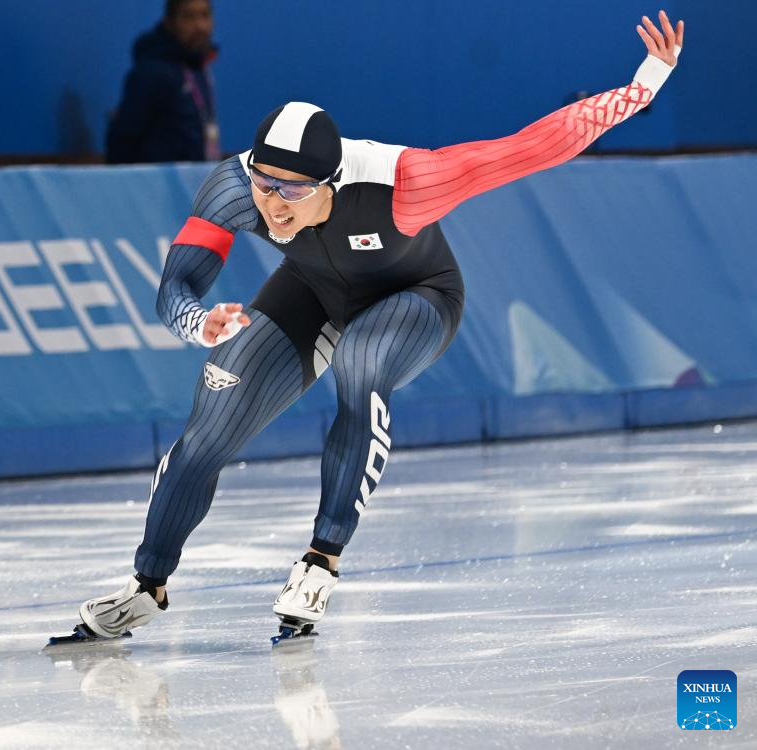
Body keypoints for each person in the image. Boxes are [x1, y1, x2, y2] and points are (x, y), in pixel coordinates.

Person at [79, 12, 685, 640]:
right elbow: (175, 287)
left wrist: (645, 83)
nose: (273, 205)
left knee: (360, 364)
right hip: (312, 289)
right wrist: (197, 323)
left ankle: (321, 560)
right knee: (210, 426)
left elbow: (532, 146)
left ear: (332, 183)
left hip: (415, 296)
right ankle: (147, 584)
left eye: (293, 192)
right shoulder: (233, 188)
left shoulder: (408, 184)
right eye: (264, 184)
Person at [106, 0, 220, 164]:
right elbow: (123, 141)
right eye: (189, 17)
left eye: (205, 15)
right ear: (170, 22)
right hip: (157, 178)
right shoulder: (152, 73)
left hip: (199, 176)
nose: (200, 26)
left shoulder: (198, 68)